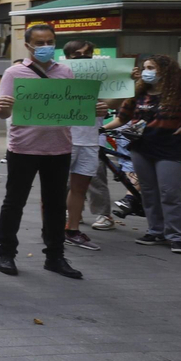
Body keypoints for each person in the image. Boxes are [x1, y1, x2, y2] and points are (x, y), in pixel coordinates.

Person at [107, 54, 181, 253]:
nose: (146, 72)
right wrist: (102, 129)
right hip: (141, 148)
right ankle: (156, 231)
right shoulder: (137, 94)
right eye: (144, 68)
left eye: (151, 68)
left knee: (170, 193)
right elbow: (121, 119)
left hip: (170, 149)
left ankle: (178, 237)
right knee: (149, 192)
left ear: (165, 71)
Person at [0, 23, 83, 279]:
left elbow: (75, 107)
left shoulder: (65, 72)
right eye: (40, 43)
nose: (46, 47)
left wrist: (92, 109)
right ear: (28, 46)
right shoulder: (14, 73)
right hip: (24, 148)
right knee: (14, 203)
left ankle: (55, 256)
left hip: (59, 148)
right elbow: (3, 113)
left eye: (50, 42)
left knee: (55, 205)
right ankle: (6, 253)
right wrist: (3, 107)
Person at [60, 40, 112, 251]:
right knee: (55, 188)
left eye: (87, 54)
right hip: (63, 139)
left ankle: (72, 230)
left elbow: (113, 102)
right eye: (78, 55)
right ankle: (51, 230)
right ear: (68, 58)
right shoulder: (59, 76)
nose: (84, 58)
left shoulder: (100, 78)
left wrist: (129, 82)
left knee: (80, 189)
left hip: (90, 139)